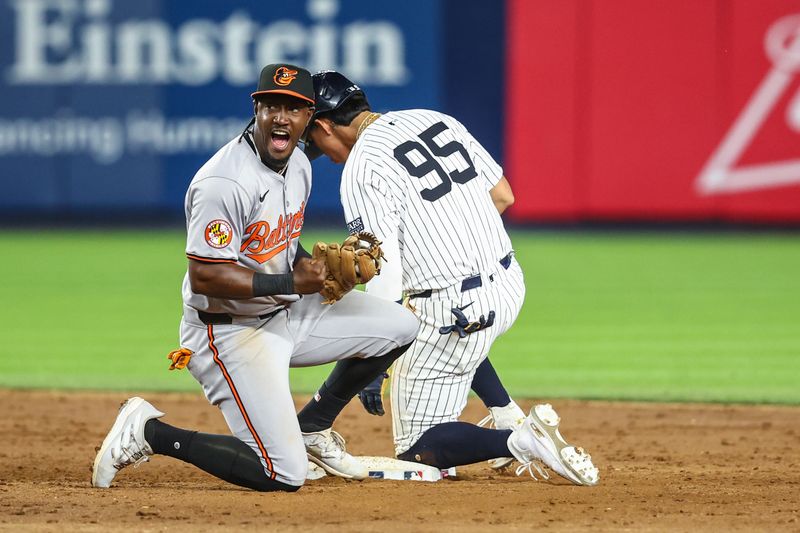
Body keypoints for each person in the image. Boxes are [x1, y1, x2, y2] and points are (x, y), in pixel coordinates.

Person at [91, 64, 421, 492]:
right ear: (257, 109)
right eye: (273, 105)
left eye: (295, 108)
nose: (282, 116)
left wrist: (321, 273)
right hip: (230, 333)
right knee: (285, 474)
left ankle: (312, 428)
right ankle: (149, 433)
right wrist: (292, 284)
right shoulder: (223, 181)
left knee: (401, 326)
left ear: (307, 119)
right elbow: (206, 277)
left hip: (287, 312)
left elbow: (284, 247)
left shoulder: (299, 164)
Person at [303, 71, 599, 485]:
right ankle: (504, 409)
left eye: (315, 144)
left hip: (454, 311)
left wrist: (372, 367)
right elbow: (503, 196)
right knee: (432, 315)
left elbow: (382, 274)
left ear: (323, 126)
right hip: (510, 284)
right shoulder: (433, 118)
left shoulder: (363, 165)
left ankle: (521, 440)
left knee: (421, 450)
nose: (323, 155)